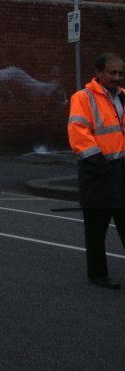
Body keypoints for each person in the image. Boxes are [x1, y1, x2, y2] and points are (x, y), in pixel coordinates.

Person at [67, 52, 125, 289]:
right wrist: (101, 165)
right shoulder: (83, 97)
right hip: (97, 173)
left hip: (121, 171)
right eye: (112, 73)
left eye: (121, 73)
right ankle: (98, 274)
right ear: (99, 73)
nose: (117, 77)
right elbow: (79, 134)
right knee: (96, 231)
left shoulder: (123, 97)